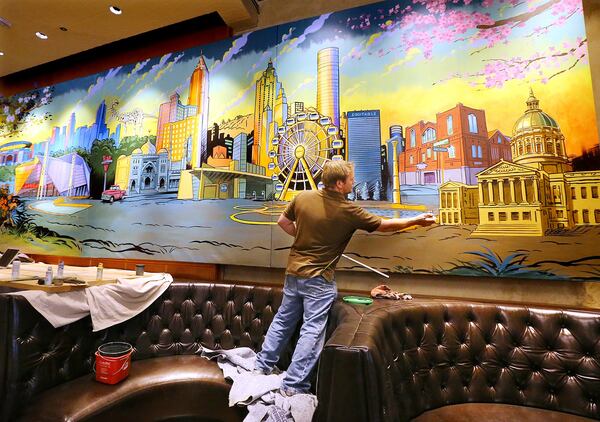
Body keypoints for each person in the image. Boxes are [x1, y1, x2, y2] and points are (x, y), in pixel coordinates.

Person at [254, 160, 435, 395]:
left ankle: (260, 367)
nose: (353, 182)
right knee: (312, 330)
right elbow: (386, 225)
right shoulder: (348, 210)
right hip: (318, 279)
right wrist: (417, 220)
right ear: (339, 184)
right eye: (351, 179)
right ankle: (293, 385)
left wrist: (304, 237)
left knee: (283, 321)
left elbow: (283, 222)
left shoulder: (302, 198)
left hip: (293, 273)